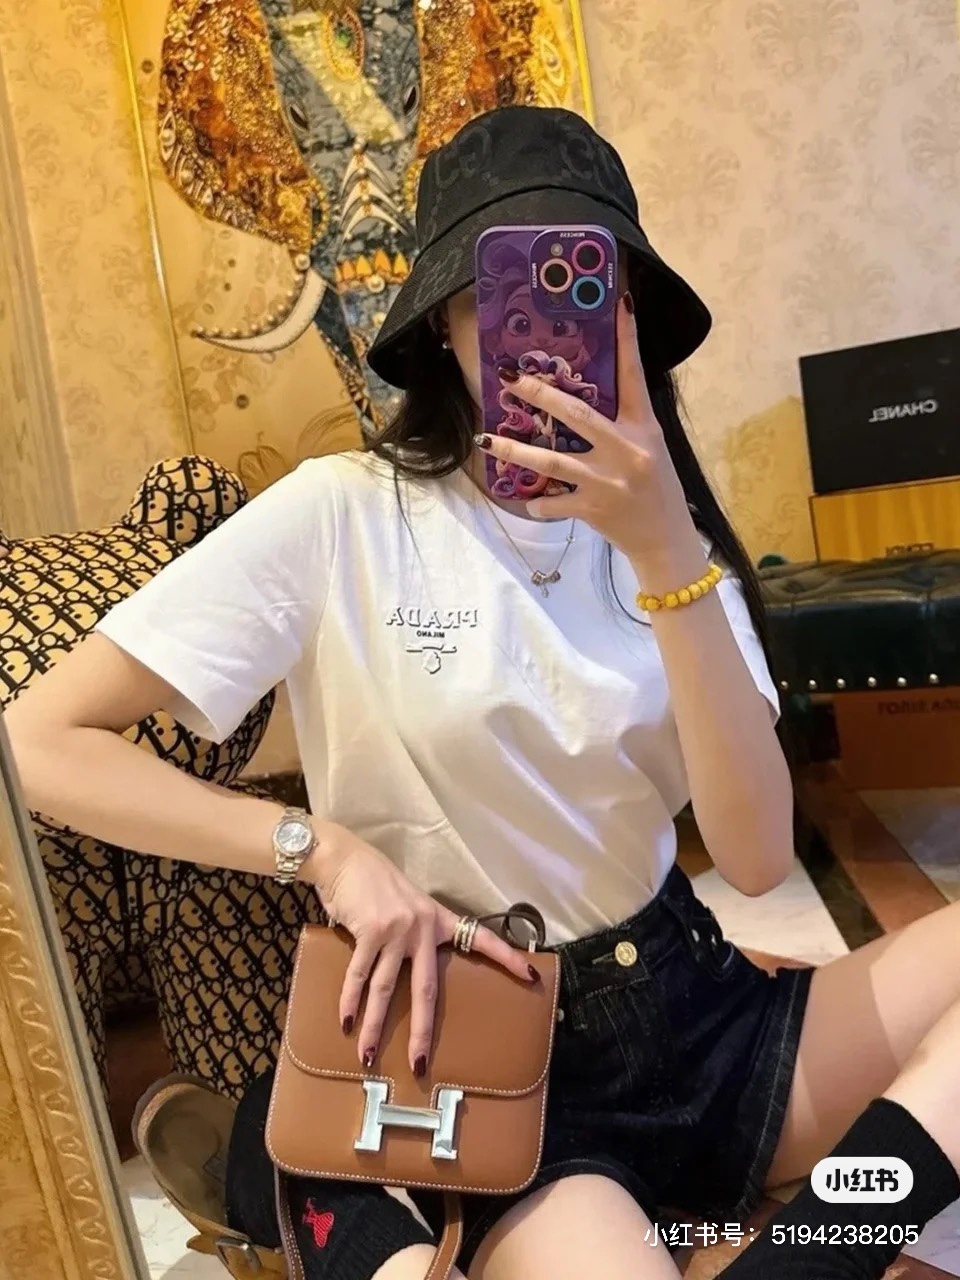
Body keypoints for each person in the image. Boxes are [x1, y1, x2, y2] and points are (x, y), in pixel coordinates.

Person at [8, 105, 960, 1280]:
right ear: (448, 326)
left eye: (593, 292)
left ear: (631, 319)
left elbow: (760, 858)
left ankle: (811, 1248)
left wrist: (666, 551)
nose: (548, 337)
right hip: (505, 1064)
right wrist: (322, 851)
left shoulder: (668, 536)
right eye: (501, 296)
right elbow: (39, 737)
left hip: (705, 1009)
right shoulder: (342, 515)